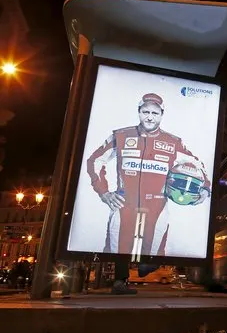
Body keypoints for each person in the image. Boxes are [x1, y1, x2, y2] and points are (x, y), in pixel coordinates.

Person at [87, 93, 211, 294]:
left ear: (162, 115)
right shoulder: (120, 135)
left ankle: (148, 266)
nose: (150, 117)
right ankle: (120, 282)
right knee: (119, 247)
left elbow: (198, 164)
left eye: (155, 112)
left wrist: (205, 188)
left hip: (158, 205)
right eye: (146, 111)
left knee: (155, 253)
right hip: (124, 201)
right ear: (139, 112)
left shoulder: (173, 142)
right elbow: (94, 160)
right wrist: (104, 193)